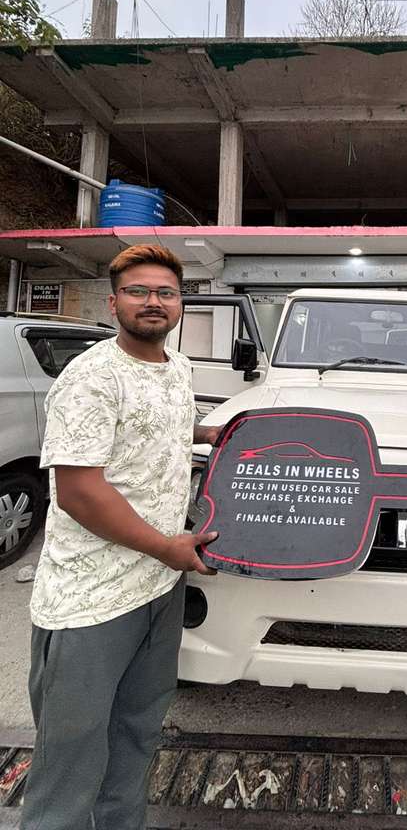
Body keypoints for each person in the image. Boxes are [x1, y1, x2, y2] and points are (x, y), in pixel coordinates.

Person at [21, 244, 222, 830]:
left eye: (165, 292)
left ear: (181, 303)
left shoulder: (177, 367)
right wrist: (168, 547)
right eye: (138, 291)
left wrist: (218, 434)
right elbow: (80, 492)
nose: (153, 302)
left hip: (157, 588)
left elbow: (163, 433)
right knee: (71, 752)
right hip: (91, 599)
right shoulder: (89, 377)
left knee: (136, 730)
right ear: (114, 303)